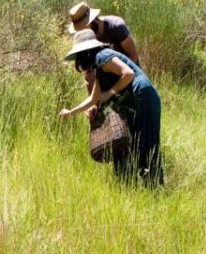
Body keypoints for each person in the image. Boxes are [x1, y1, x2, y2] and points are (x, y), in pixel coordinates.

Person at [59, 30, 164, 186]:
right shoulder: (99, 65)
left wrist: (109, 93)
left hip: (143, 96)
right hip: (139, 98)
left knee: (147, 144)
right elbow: (94, 98)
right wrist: (71, 112)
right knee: (137, 144)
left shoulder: (102, 56)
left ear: (85, 52)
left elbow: (128, 74)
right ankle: (144, 186)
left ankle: (156, 188)